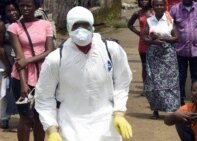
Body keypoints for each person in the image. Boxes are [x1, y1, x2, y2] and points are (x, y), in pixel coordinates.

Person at [35, 6, 133, 141]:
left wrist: (119, 112)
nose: (81, 30)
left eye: (85, 25)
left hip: (106, 125)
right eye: (76, 26)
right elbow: (44, 96)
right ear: (69, 28)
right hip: (70, 126)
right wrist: (51, 129)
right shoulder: (56, 59)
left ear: (92, 27)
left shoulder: (111, 50)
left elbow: (122, 82)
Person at [7, 0, 54, 140]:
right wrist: (23, 83)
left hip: (43, 76)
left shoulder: (46, 25)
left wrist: (28, 60)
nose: (25, 9)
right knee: (26, 117)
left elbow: (50, 50)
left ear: (36, 7)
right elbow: (19, 57)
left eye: (29, 5)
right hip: (21, 77)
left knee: (40, 116)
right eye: (22, 6)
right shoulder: (14, 27)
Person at [143, 0, 180, 119]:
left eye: (161, 5)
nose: (159, 7)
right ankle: (155, 110)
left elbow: (176, 38)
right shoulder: (149, 20)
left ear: (165, 6)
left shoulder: (170, 20)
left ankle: (171, 109)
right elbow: (144, 37)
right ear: (153, 6)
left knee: (171, 82)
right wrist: (152, 41)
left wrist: (163, 38)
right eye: (157, 5)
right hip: (154, 55)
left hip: (167, 55)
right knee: (153, 83)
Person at [170, 0, 197, 105]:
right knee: (180, 76)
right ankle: (180, 100)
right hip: (180, 49)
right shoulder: (175, 9)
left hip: (196, 48)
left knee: (196, 77)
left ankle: (195, 101)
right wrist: (174, 34)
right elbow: (169, 22)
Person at [128, 0, 154, 96]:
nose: (143, 1)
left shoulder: (155, 11)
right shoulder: (138, 13)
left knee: (155, 66)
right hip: (143, 44)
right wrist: (139, 33)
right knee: (145, 66)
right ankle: (146, 88)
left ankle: (156, 87)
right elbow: (129, 24)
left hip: (155, 43)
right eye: (141, 0)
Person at [0, 0, 19, 129]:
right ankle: (4, 118)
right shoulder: (3, 25)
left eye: (14, 10)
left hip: (21, 61)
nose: (12, 13)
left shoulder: (24, 23)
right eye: (8, 11)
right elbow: (0, 46)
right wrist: (7, 65)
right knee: (5, 89)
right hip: (6, 60)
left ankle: (27, 116)